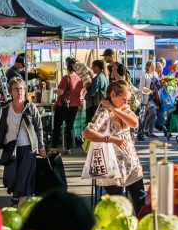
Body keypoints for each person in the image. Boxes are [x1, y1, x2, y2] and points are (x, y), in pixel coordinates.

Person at [82, 80, 146, 212]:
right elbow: (87, 133)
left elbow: (135, 123)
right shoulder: (104, 111)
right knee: (118, 207)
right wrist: (110, 139)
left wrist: (115, 109)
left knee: (141, 201)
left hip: (131, 163)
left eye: (127, 100)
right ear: (112, 94)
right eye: (123, 99)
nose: (126, 103)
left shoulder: (123, 108)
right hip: (111, 165)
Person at [0, 78, 46, 204]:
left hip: (28, 146)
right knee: (10, 176)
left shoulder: (30, 107)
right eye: (16, 89)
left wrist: (41, 147)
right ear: (11, 91)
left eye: (21, 88)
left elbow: (39, 127)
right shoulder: (5, 109)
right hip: (10, 147)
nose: (19, 91)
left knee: (25, 176)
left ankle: (19, 199)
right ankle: (17, 195)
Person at [52, 57, 83, 154]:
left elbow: (60, 92)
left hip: (63, 105)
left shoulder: (66, 78)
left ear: (67, 66)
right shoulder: (79, 78)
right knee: (69, 127)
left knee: (57, 126)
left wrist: (55, 91)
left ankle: (53, 148)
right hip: (74, 105)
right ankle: (68, 149)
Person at [86, 59, 109, 127]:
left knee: (92, 124)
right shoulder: (105, 76)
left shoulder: (98, 78)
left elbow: (93, 93)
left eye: (92, 67)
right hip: (103, 103)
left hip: (95, 105)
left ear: (96, 67)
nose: (92, 69)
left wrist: (88, 87)